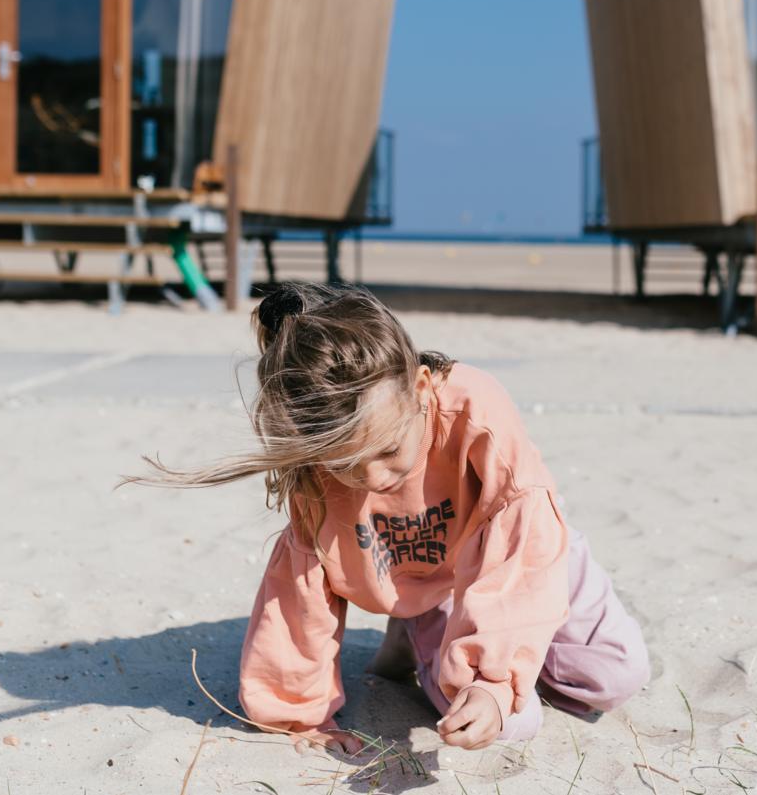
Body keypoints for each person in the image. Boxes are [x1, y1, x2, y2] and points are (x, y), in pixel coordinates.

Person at [133, 282, 648, 752]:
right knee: (514, 723)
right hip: (427, 584)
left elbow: (521, 538)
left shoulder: (476, 408)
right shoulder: (318, 471)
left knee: (612, 678)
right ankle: (416, 631)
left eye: (386, 450)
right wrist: (300, 717)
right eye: (345, 463)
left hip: (520, 555)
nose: (373, 479)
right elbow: (302, 593)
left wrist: (494, 679)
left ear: (421, 388)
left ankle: (485, 646)